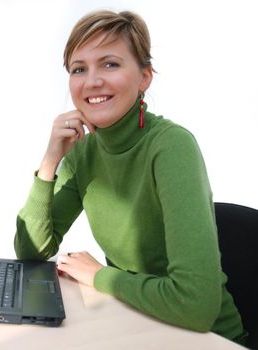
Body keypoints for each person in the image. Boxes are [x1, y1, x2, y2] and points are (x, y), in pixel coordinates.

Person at [14, 10, 247, 345]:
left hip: (207, 338)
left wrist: (101, 277)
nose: (92, 81)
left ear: (144, 78)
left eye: (110, 64)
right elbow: (30, 253)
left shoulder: (171, 147)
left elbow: (196, 305)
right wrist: (50, 161)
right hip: (140, 322)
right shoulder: (83, 152)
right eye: (79, 69)